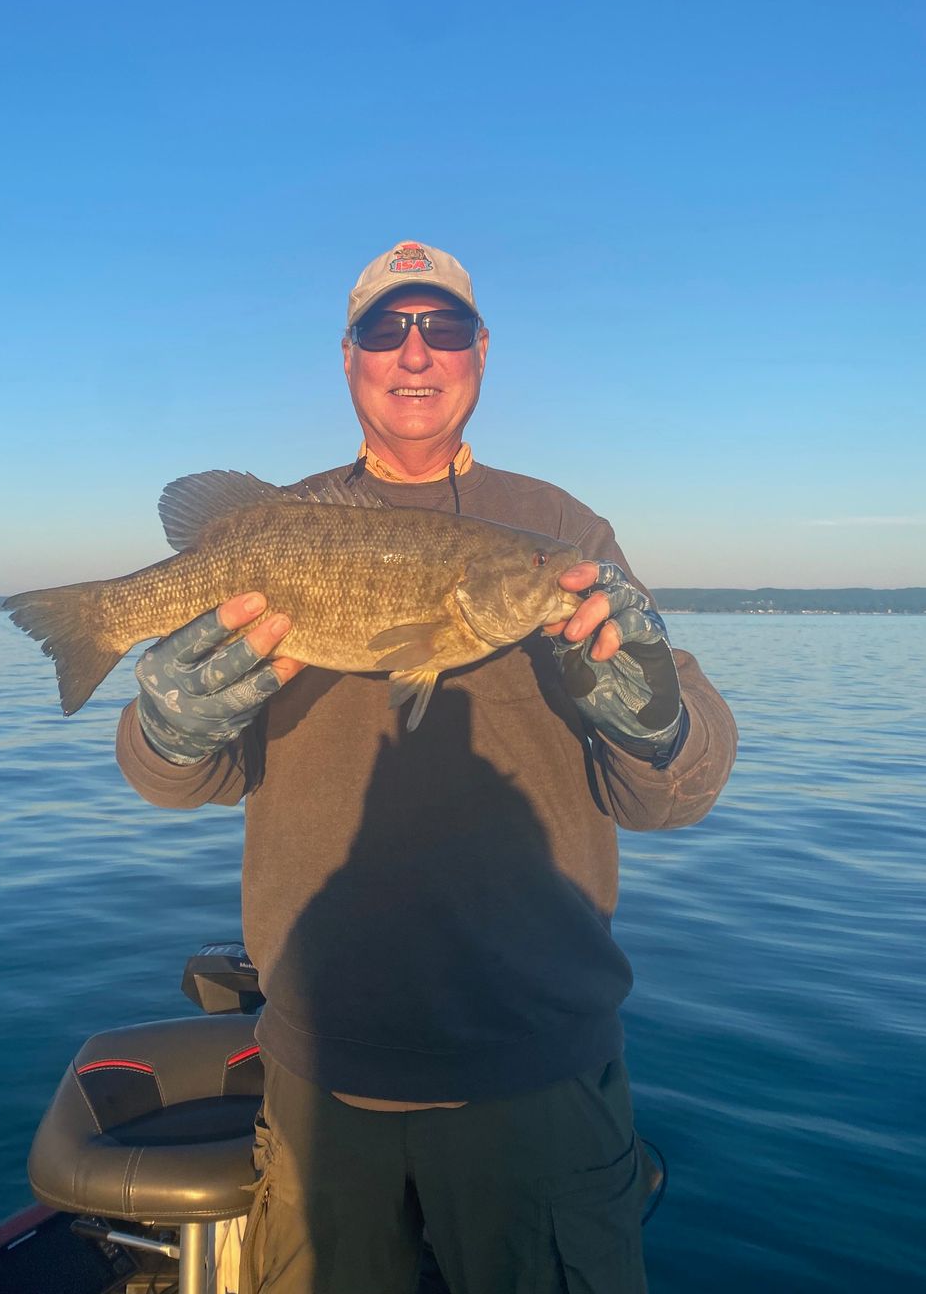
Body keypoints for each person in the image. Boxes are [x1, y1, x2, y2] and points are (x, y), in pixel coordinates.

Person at [116, 240, 738, 1294]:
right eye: (385, 328)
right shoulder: (280, 522)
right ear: (349, 358)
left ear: (482, 355)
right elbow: (178, 780)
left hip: (532, 1076)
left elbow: (673, 791)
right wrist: (165, 728)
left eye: (443, 328)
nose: (416, 352)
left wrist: (658, 722)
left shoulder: (561, 533)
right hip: (318, 1080)